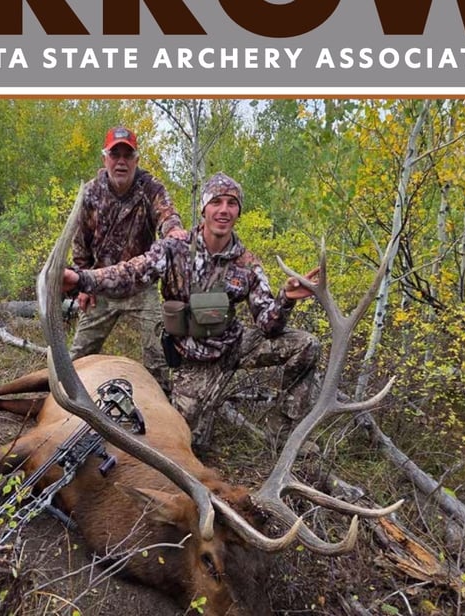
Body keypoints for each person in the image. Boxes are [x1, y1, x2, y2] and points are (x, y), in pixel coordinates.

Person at [62, 171, 320, 452]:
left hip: (233, 344)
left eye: (231, 204)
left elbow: (268, 325)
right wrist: (82, 279)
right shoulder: (175, 249)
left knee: (306, 345)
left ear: (239, 211)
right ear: (204, 209)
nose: (224, 210)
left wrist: (286, 298)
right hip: (193, 361)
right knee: (185, 444)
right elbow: (131, 273)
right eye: (217, 202)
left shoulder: (247, 264)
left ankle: (282, 434)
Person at [70, 126, 186, 393]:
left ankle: (164, 406)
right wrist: (84, 285)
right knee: (77, 358)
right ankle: (63, 401)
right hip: (100, 287)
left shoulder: (150, 187)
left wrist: (174, 230)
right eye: (115, 154)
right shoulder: (90, 193)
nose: (121, 161)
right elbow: (80, 241)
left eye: (127, 155)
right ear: (105, 159)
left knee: (158, 357)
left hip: (140, 288)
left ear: (136, 159)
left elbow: (167, 214)